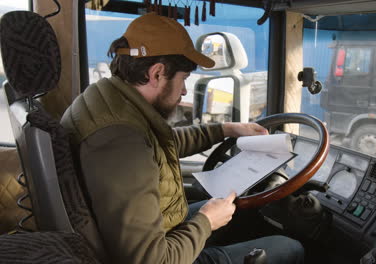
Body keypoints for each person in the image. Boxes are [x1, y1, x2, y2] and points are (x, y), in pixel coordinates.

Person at [61, 13, 304, 264]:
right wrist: (207, 222)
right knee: (289, 248)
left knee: (240, 210)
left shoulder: (107, 98)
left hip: (158, 230)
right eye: (184, 79)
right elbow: (150, 260)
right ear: (157, 74)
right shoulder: (122, 143)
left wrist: (227, 129)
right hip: (158, 254)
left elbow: (161, 145)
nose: (185, 90)